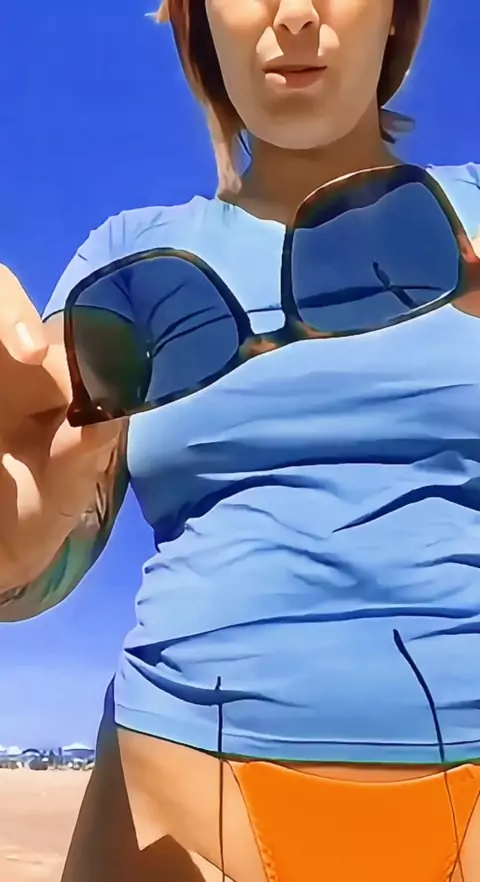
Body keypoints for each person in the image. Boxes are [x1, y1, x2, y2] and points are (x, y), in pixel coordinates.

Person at [1, 0, 480, 879]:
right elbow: (33, 562)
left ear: (398, 15)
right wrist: (24, 511)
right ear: (199, 23)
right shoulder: (133, 266)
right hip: (176, 788)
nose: (292, 15)